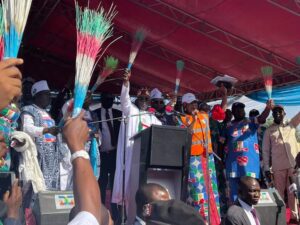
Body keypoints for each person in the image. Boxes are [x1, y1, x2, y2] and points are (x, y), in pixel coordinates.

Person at [112, 71, 162, 225]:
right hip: (131, 159)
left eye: (147, 99)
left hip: (147, 161)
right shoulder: (131, 111)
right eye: (141, 98)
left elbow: (160, 135)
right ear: (137, 99)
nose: (144, 101)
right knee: (129, 191)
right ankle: (128, 219)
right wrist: (126, 83)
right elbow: (124, 100)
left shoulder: (153, 119)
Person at [179, 93, 220, 224]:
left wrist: (224, 95)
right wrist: (194, 118)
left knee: (211, 191)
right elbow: (188, 133)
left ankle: (214, 220)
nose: (195, 105)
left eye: (195, 103)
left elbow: (221, 113)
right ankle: (200, 221)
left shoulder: (204, 116)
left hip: (207, 158)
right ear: (185, 105)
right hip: (194, 161)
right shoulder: (182, 119)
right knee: (198, 193)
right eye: (192, 103)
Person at [221, 100, 273, 202]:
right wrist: (221, 159)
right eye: (237, 110)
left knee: (250, 191)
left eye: (242, 109)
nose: (240, 111)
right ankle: (236, 214)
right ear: (233, 112)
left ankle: (251, 215)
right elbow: (221, 143)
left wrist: (267, 108)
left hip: (250, 165)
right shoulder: (227, 126)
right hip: (233, 165)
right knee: (234, 193)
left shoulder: (251, 121)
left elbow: (262, 118)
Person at [262, 105, 300, 223]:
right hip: (278, 167)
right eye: (274, 112)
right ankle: (281, 218)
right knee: (278, 194)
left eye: (279, 111)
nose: (277, 113)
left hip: (293, 166)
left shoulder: (291, 124)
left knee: (293, 192)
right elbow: (266, 150)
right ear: (272, 115)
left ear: (284, 113)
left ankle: (294, 217)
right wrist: (267, 168)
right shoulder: (269, 130)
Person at [63, 111, 101, 225]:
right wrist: (77, 146)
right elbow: (89, 215)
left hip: (86, 152)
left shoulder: (93, 116)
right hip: (74, 153)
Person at [21, 80, 60, 190]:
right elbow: (27, 128)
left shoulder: (47, 113)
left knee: (50, 189)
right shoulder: (28, 110)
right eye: (46, 94)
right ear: (37, 96)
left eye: (49, 94)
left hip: (52, 158)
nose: (49, 97)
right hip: (38, 157)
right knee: (36, 188)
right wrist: (47, 130)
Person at [94, 92, 121, 222]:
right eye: (106, 98)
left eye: (111, 98)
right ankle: (101, 212)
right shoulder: (96, 113)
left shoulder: (118, 114)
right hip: (102, 155)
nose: (108, 100)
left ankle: (115, 215)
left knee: (116, 184)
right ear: (101, 99)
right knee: (102, 184)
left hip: (115, 155)